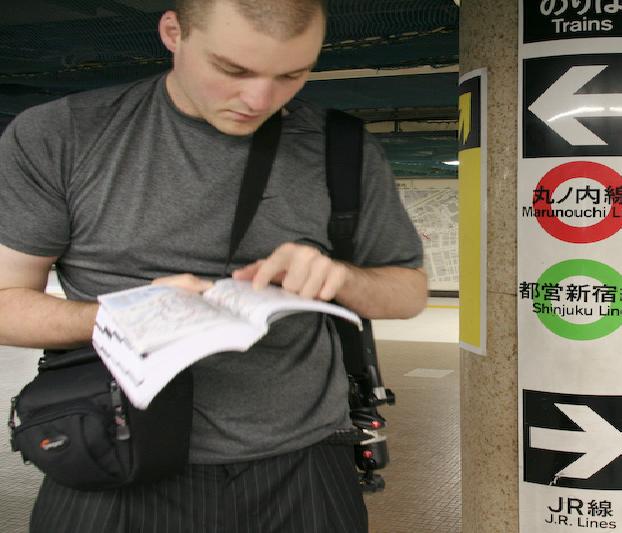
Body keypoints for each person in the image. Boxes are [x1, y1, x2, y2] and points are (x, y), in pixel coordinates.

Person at [0, 0, 427, 531]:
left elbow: (408, 292)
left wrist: (341, 278)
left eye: (291, 75)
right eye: (232, 70)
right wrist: (125, 315)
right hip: (116, 458)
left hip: (304, 465)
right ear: (173, 32)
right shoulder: (59, 136)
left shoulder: (341, 148)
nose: (259, 99)